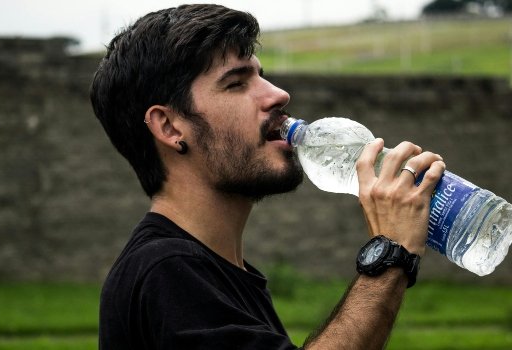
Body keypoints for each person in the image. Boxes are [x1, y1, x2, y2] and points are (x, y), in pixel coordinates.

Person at [89, 4, 445, 349]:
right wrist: (390, 254)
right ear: (169, 126)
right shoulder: (167, 271)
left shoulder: (214, 271)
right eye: (236, 83)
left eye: (260, 75)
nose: (278, 94)